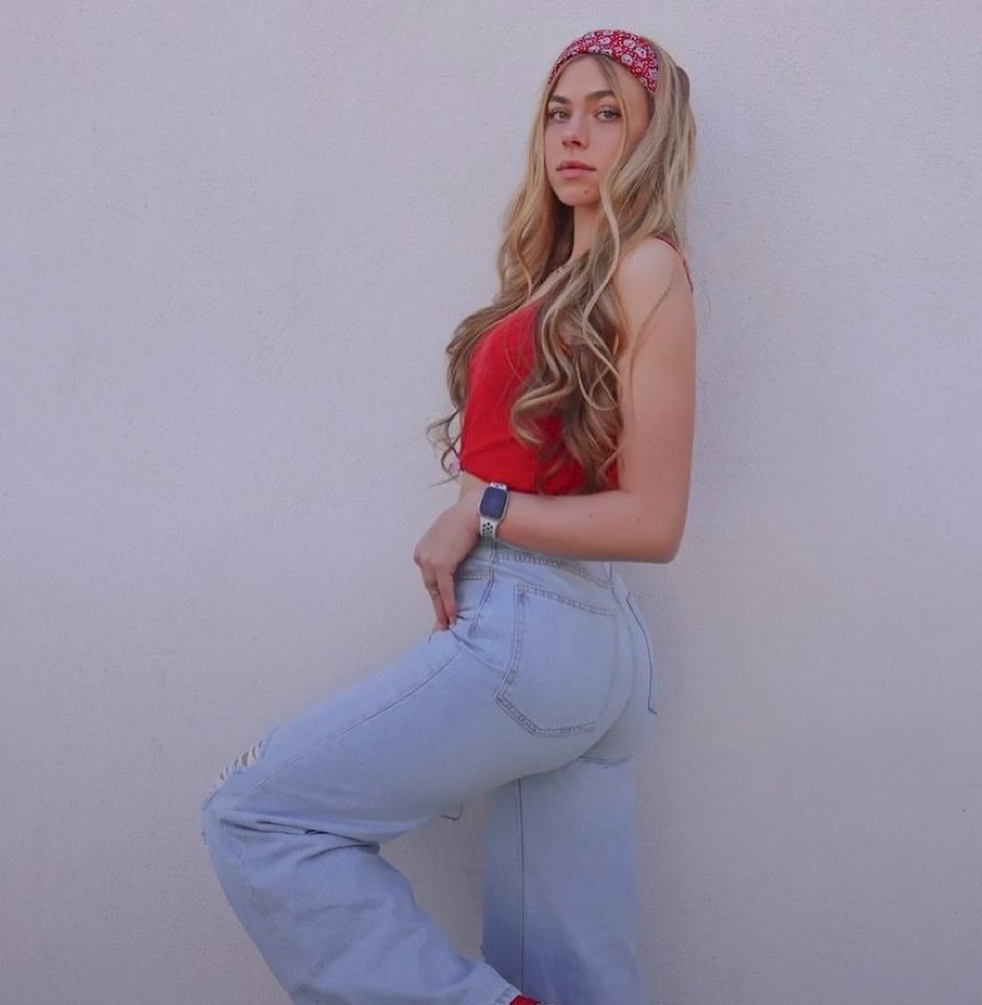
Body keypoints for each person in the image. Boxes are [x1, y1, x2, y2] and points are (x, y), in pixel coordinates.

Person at [202, 27, 696, 1005]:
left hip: (540, 625)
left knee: (258, 816)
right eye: (558, 113)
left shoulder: (645, 267)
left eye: (606, 114)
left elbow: (655, 522)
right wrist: (482, 507)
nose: (573, 136)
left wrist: (486, 512)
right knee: (576, 976)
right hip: (583, 651)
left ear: (651, 136)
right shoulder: (560, 282)